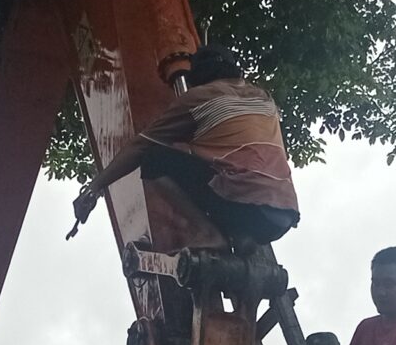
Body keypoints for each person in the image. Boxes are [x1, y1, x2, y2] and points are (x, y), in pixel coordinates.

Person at [71, 44, 300, 248]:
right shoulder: (264, 98)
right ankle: (238, 237)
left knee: (155, 158)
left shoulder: (198, 97)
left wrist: (95, 188)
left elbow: (140, 146)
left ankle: (206, 232)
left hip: (245, 207)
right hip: (283, 215)